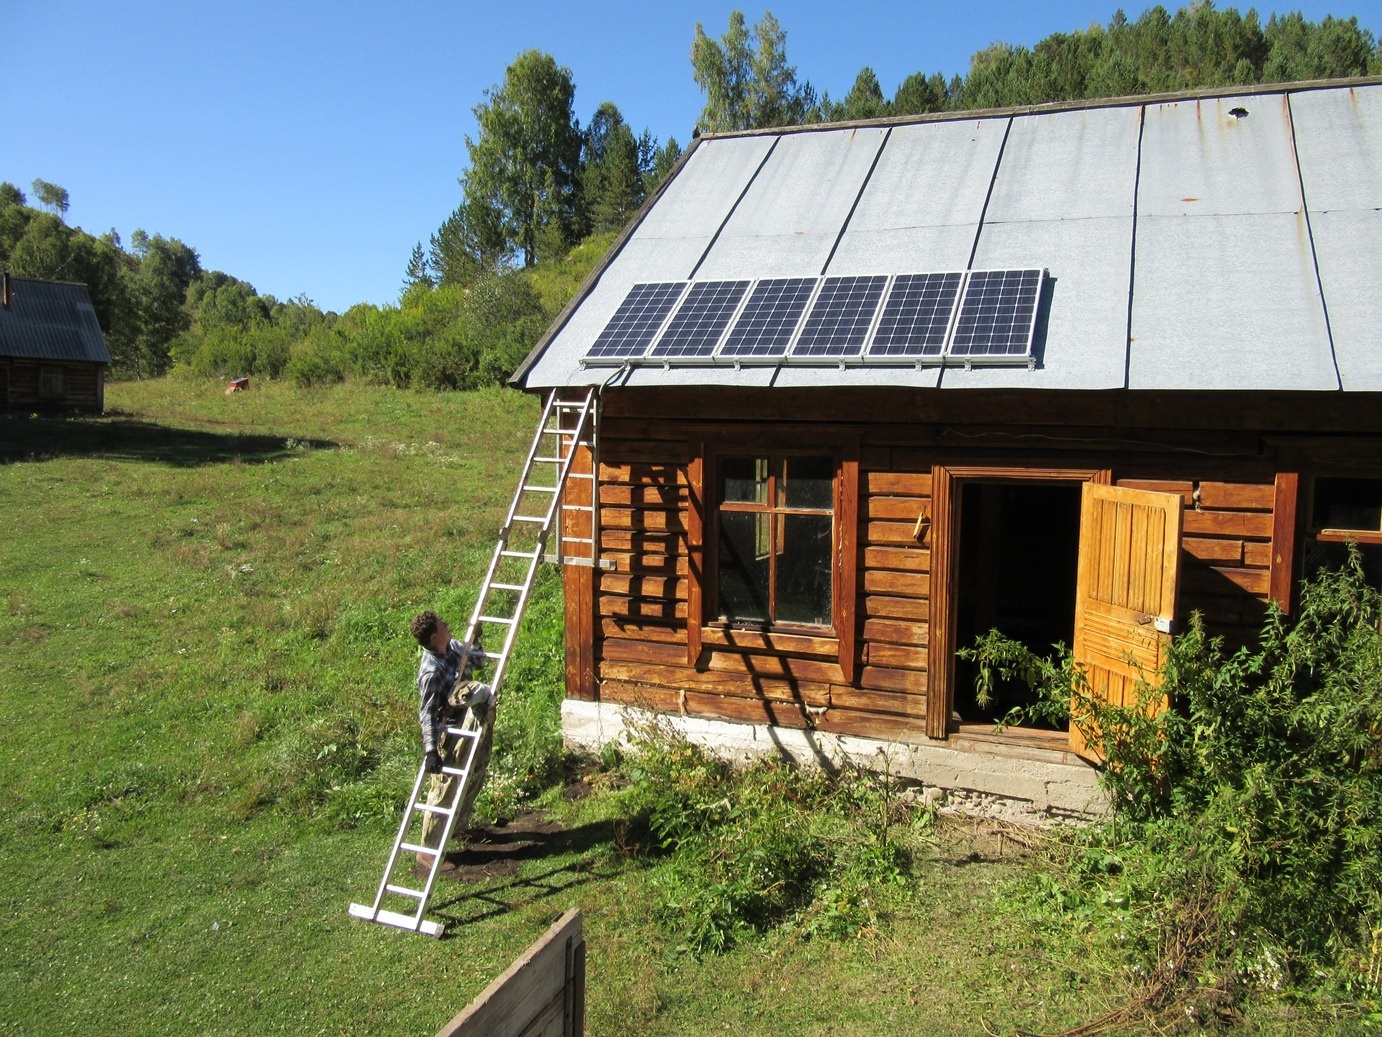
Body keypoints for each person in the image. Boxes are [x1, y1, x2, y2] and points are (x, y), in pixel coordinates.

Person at [409, 609, 493, 871]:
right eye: (442, 624)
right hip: (448, 732)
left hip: (468, 722)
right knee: (443, 789)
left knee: (474, 772)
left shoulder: (455, 648)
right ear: (435, 638)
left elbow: (479, 663)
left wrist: (475, 640)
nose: (447, 624)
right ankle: (427, 853)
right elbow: (427, 713)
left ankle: (456, 827)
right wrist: (431, 750)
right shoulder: (430, 671)